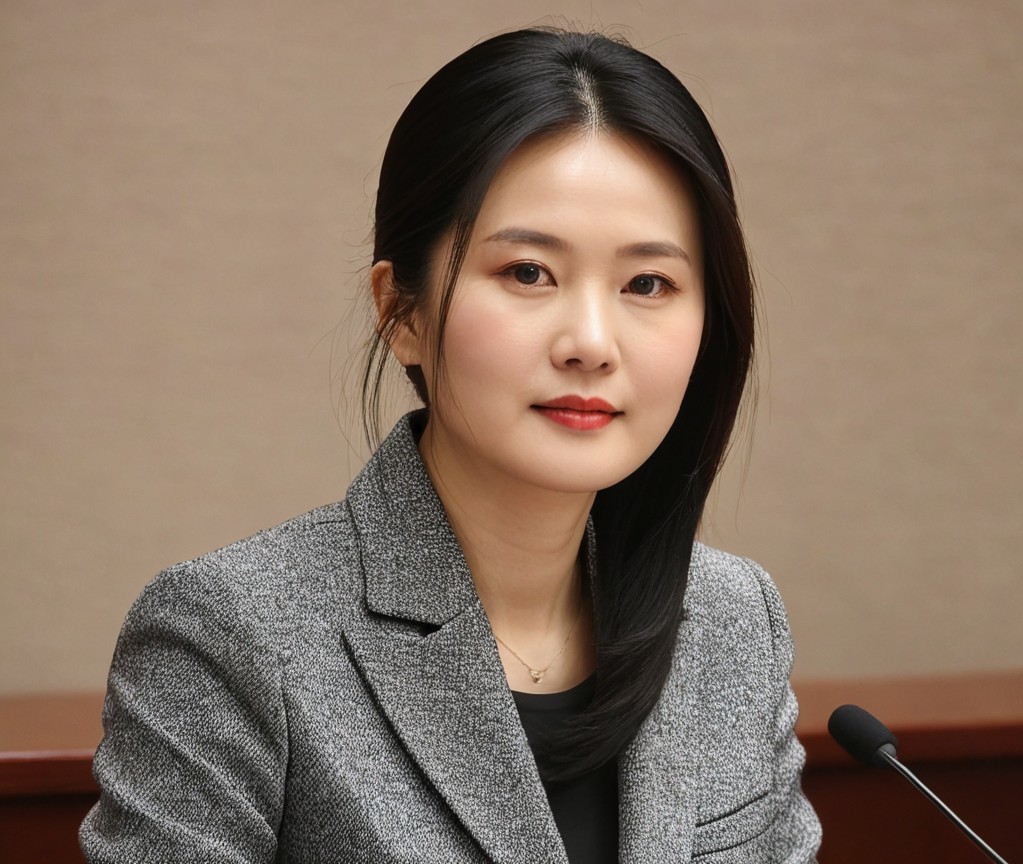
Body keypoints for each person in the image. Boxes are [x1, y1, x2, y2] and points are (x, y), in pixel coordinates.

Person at [80, 28, 821, 863]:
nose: (590, 341)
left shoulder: (729, 623)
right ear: (402, 311)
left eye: (647, 284)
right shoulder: (231, 635)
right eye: (528, 273)